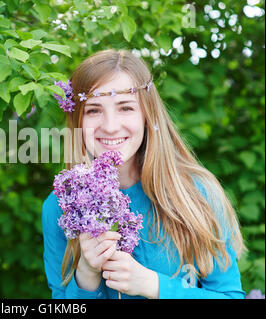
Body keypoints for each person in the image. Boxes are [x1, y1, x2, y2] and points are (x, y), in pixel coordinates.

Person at [42, 48, 247, 299]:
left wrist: (156, 286)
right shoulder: (60, 207)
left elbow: (230, 296)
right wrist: (85, 276)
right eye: (94, 110)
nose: (110, 126)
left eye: (125, 108)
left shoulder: (196, 192)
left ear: (147, 115)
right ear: (78, 122)